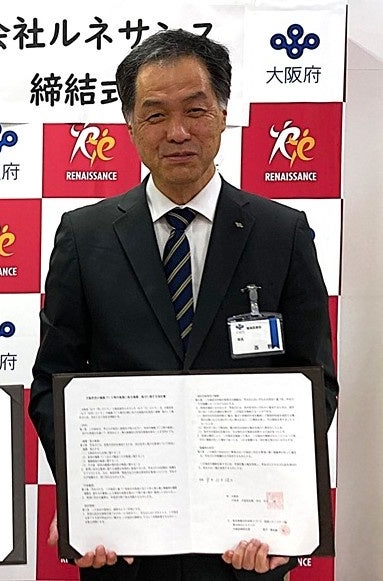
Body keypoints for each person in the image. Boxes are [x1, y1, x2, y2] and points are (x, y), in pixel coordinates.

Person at [29, 29, 338, 581]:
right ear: (129, 126)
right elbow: (54, 383)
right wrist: (87, 498)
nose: (177, 131)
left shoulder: (282, 233)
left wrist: (284, 512)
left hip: (245, 546)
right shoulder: (84, 235)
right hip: (124, 546)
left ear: (223, 114)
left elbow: (313, 384)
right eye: (155, 115)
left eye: (196, 110)